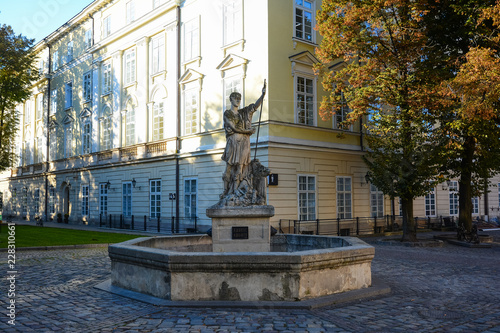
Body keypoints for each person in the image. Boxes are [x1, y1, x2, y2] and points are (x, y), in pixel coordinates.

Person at [221, 82, 266, 197]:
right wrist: (248, 131)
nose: (237, 100)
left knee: (240, 167)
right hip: (232, 143)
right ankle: (225, 191)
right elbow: (234, 127)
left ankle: (235, 190)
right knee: (229, 166)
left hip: (243, 144)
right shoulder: (227, 113)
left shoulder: (242, 113)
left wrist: (262, 95)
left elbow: (254, 107)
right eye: (235, 98)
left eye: (239, 98)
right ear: (230, 99)